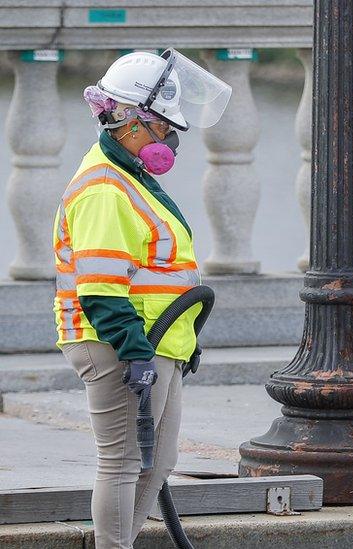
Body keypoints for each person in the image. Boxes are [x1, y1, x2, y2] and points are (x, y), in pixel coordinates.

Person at [54, 49, 230, 548]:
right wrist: (134, 350)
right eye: (160, 127)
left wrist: (181, 337)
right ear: (127, 120)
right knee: (123, 461)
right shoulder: (105, 188)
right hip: (118, 344)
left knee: (159, 463)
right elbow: (100, 287)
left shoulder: (131, 178)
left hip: (158, 341)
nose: (169, 140)